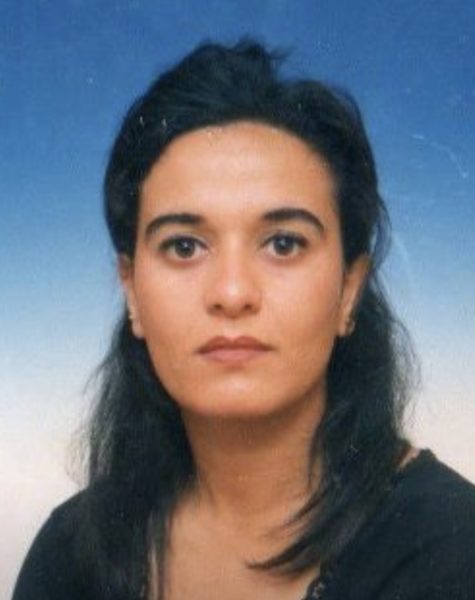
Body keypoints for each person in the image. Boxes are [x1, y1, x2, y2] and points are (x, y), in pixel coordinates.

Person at [12, 39, 475, 600]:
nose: (232, 293)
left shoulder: (452, 551)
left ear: (349, 290)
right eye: (184, 246)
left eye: (283, 243)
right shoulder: (72, 554)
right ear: (131, 289)